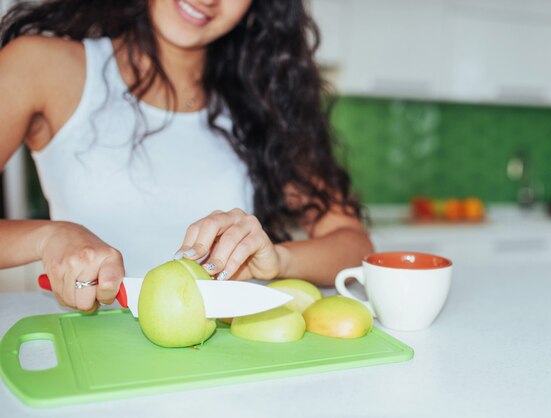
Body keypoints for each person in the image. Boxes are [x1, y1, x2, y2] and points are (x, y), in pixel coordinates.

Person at [0, 0, 373, 313]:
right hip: (90, 352)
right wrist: (48, 237)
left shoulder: (262, 105)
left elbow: (354, 246)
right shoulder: (41, 66)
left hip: (220, 366)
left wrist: (279, 259)